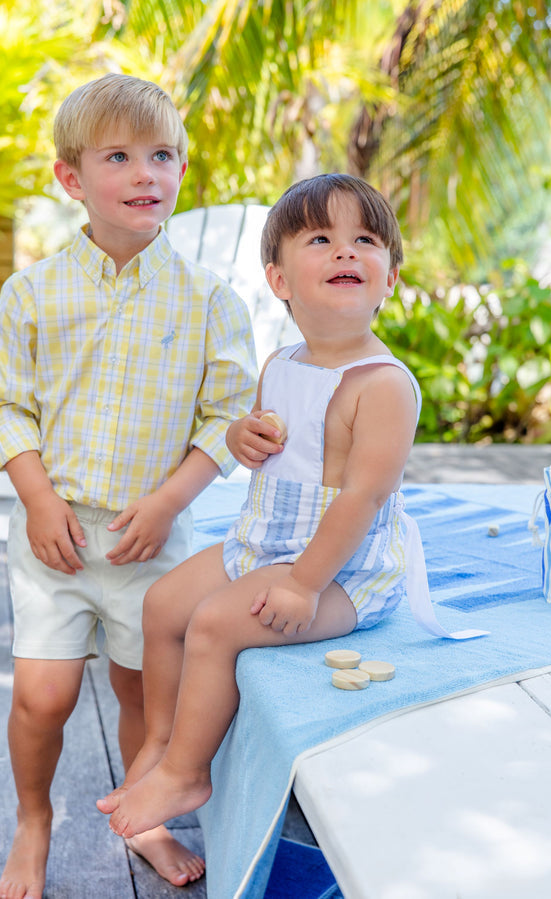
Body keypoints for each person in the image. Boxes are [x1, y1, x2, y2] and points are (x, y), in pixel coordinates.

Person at [97, 172, 424, 839]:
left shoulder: (383, 385)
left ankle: (189, 770)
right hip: (266, 542)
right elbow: (266, 438)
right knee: (162, 604)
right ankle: (158, 744)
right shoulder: (281, 361)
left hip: (340, 571)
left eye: (365, 239)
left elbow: (363, 497)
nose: (345, 251)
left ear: (389, 277)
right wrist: (244, 437)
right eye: (321, 239)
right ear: (279, 280)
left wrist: (304, 585)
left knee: (216, 624)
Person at [0, 73, 257, 899]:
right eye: (120, 156)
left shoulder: (211, 300)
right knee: (43, 695)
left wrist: (171, 500)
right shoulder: (31, 294)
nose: (148, 172)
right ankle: (34, 821)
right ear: (71, 179)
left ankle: (142, 817)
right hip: (58, 537)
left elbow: (226, 416)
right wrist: (38, 500)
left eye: (164, 155)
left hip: (155, 538)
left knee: (143, 688)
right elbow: (8, 404)